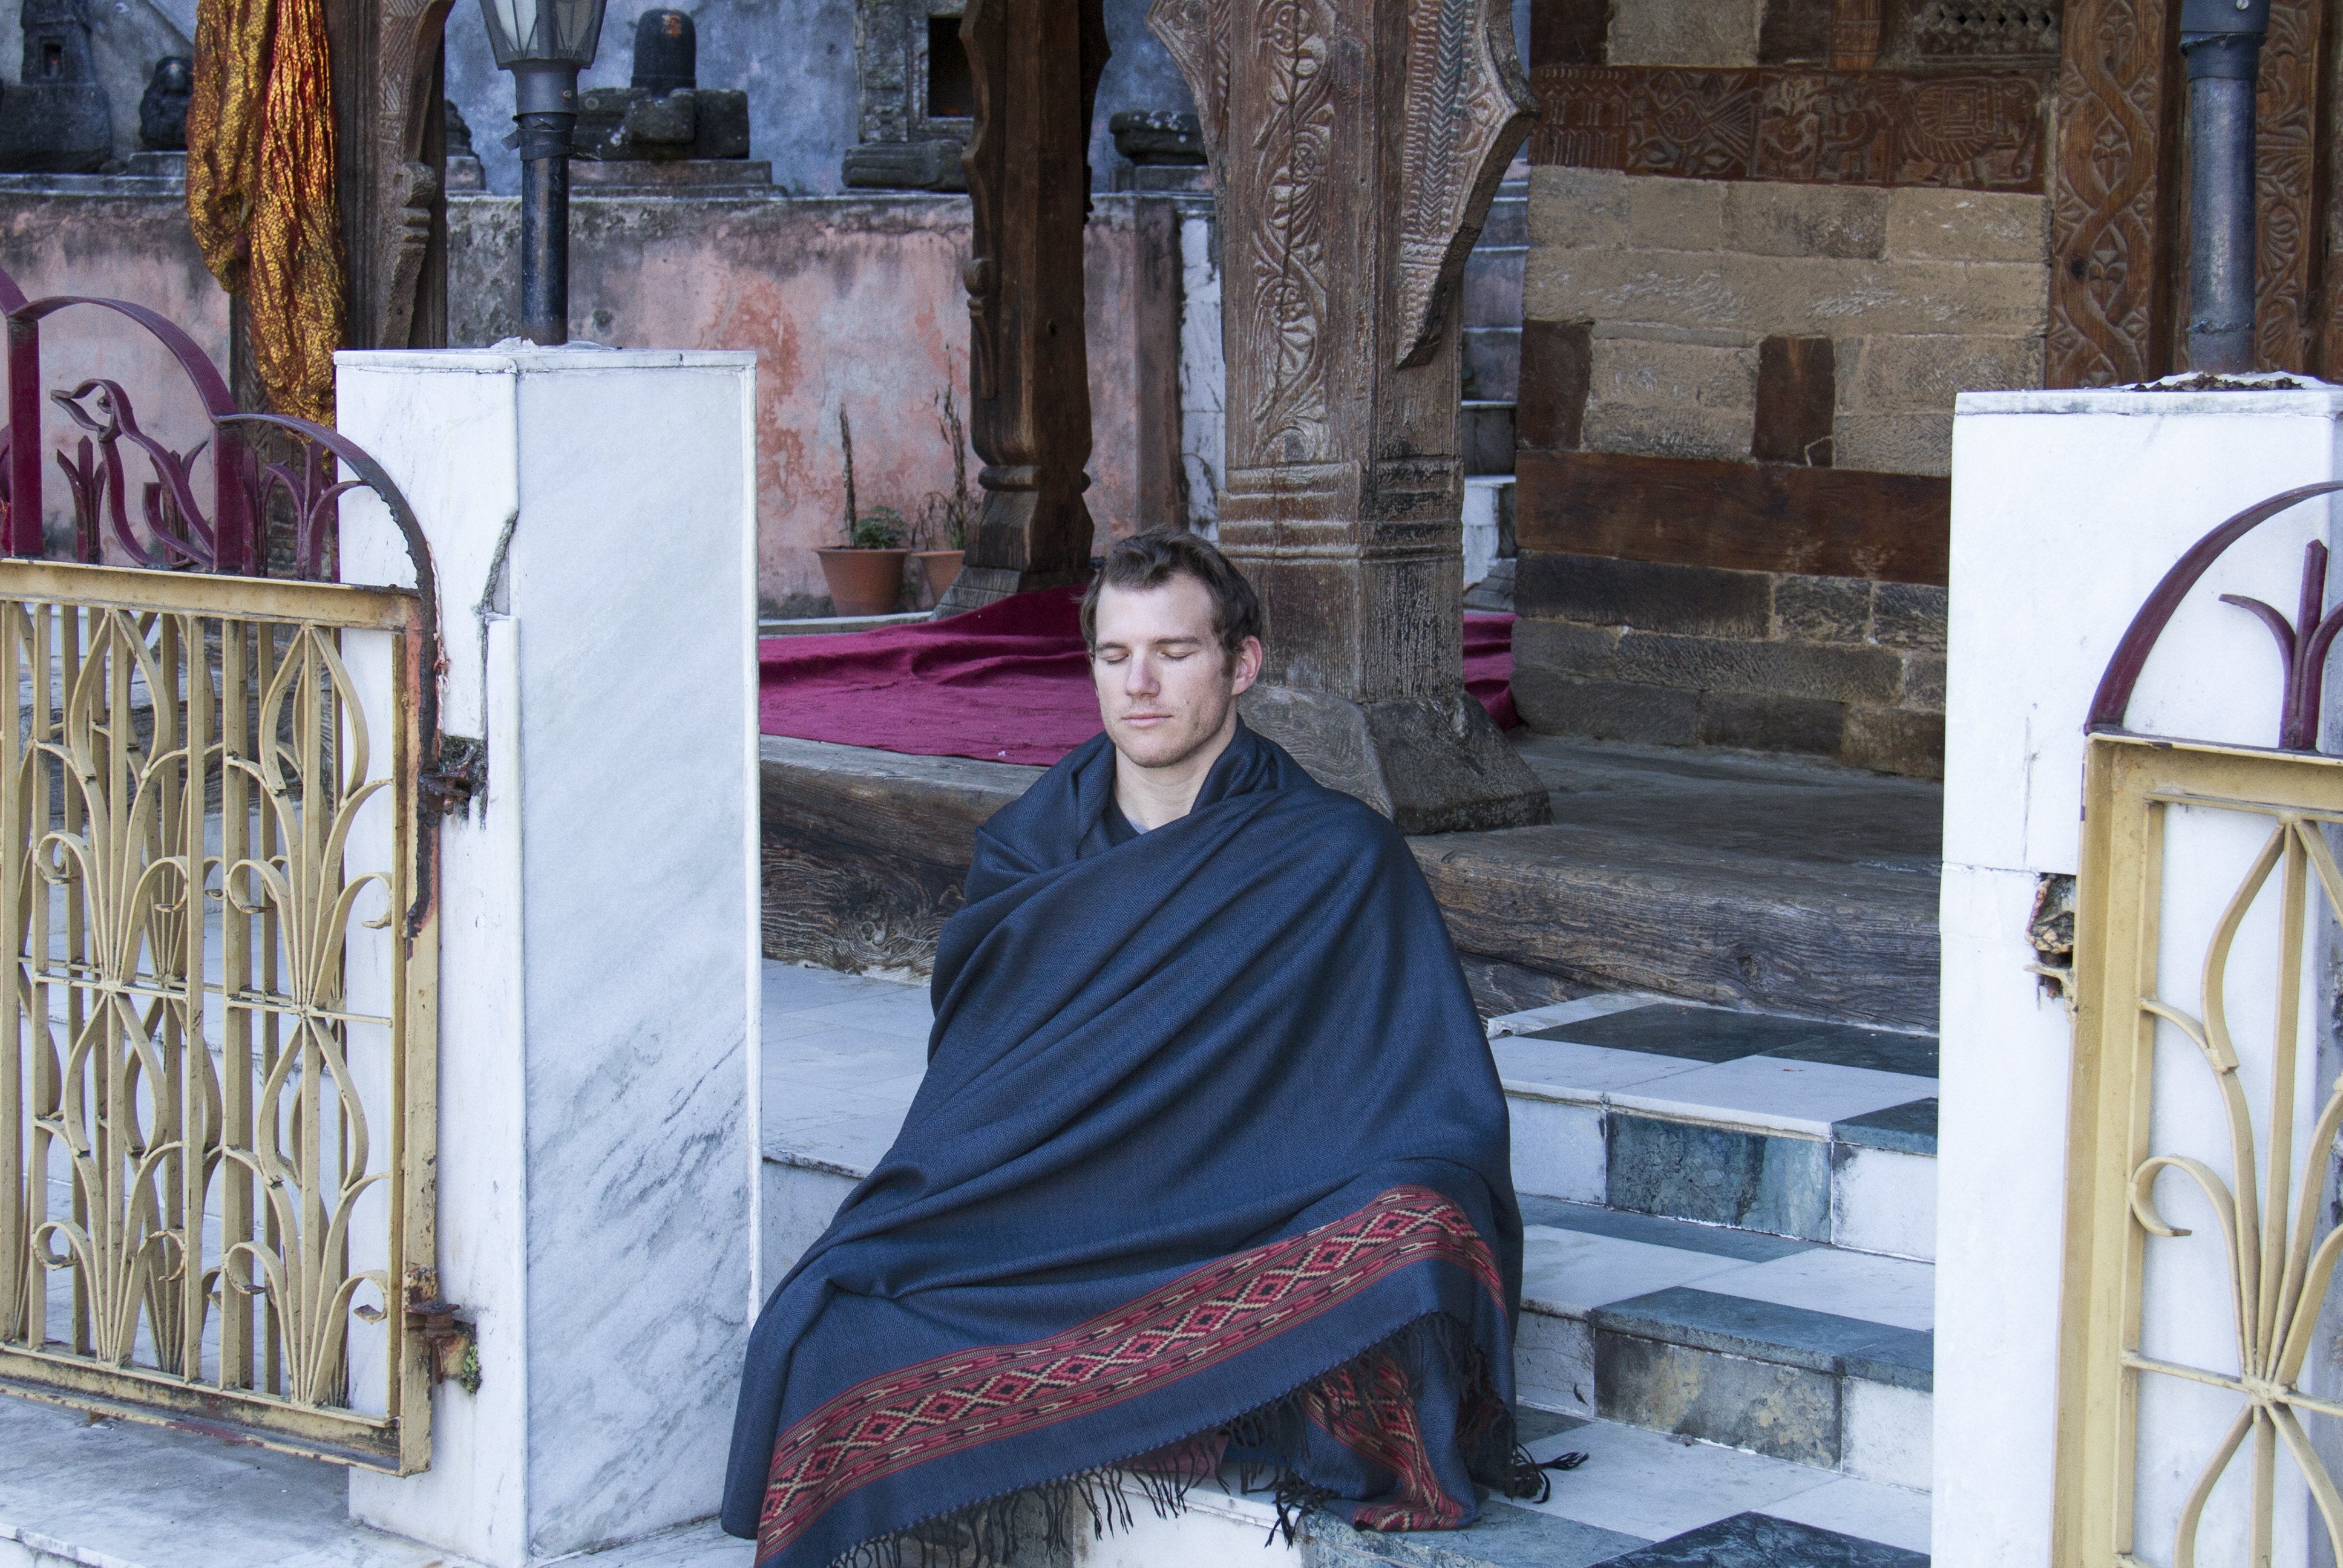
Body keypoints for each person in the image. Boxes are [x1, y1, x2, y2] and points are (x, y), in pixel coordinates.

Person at [723, 529, 1539, 1566]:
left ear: (1241, 665)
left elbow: (1428, 1099)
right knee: (837, 1331)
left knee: (1415, 1240)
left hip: (1258, 1212)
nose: (1140, 685)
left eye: (1175, 653)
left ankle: (1213, 1392)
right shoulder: (1028, 858)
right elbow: (983, 1102)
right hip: (1069, 1216)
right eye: (1115, 656)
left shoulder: (1332, 856)